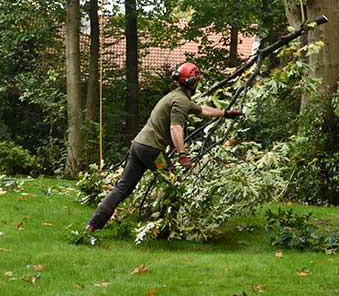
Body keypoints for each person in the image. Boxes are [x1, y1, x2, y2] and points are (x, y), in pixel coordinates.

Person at [85, 62, 241, 231]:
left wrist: (225, 113)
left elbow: (202, 110)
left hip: (139, 146)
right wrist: (183, 154)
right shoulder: (181, 102)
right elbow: (176, 127)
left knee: (122, 188)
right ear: (193, 82)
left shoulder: (177, 96)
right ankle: (165, 228)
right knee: (172, 184)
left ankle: (93, 225)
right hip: (152, 151)